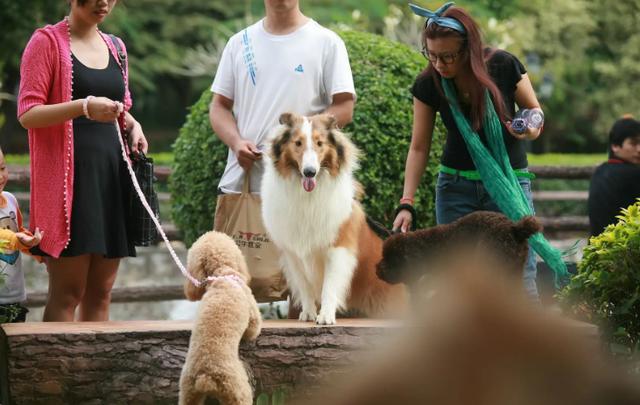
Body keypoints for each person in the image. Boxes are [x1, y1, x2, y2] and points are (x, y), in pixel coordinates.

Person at [392, 3, 554, 299]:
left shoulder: (504, 66)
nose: (439, 64)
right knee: (458, 280)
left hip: (508, 185)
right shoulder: (429, 83)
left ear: (469, 50)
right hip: (455, 190)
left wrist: (529, 128)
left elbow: (535, 112)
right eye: (432, 55)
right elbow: (418, 147)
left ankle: (520, 343)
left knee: (518, 277)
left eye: (448, 57)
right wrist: (407, 202)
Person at [17, 0, 148, 321]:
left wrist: (133, 123)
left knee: (101, 293)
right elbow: (27, 113)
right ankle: (53, 372)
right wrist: (83, 106)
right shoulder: (46, 42)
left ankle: (92, 372)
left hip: (111, 179)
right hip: (69, 188)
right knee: (67, 293)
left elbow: (120, 105)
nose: (104, 2)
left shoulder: (117, 46)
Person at [210, 0, 356, 195]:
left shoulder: (327, 42)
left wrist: (302, 131)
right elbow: (219, 106)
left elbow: (345, 107)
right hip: (244, 184)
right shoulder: (239, 42)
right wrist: (236, 143)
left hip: (303, 191)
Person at [0, 147, 43, 323]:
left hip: (13, 297)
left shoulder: (10, 200)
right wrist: (16, 239)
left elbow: (19, 234)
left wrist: (37, 250)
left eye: (2, 168)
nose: (0, 176)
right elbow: (12, 237)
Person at [588, 116, 640, 236]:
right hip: (625, 249)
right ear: (615, 146)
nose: (639, 149)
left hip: (598, 247)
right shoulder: (633, 174)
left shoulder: (600, 171)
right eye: (633, 143)